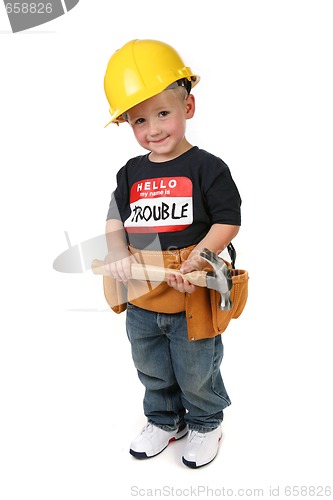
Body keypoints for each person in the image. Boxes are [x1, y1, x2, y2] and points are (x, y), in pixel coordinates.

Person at [102, 39, 242, 468]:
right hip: (144, 288)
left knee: (196, 366)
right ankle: (164, 420)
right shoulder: (131, 173)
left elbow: (227, 221)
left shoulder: (207, 167)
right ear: (127, 122)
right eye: (140, 119)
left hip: (191, 289)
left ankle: (205, 422)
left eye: (164, 113)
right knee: (150, 363)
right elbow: (114, 219)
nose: (154, 128)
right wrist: (118, 252)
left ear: (189, 107)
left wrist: (199, 257)